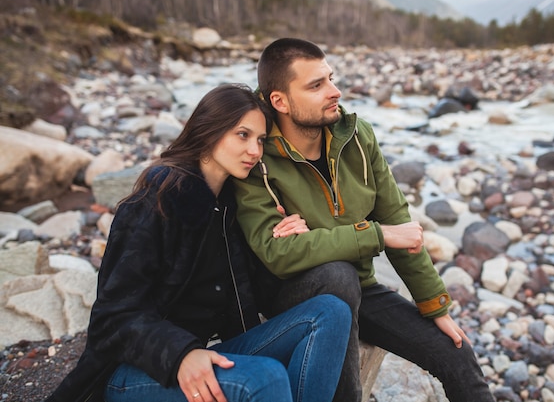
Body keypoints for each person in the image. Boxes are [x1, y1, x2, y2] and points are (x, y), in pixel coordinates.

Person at [44, 83, 351, 402]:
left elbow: (246, 291)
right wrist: (180, 354)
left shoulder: (229, 204)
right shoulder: (158, 199)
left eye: (260, 140)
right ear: (208, 131)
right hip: (132, 371)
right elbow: (113, 316)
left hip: (199, 353)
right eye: (242, 135)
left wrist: (280, 239)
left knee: (331, 312)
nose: (255, 151)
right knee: (264, 377)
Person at [233, 38, 496, 402]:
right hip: (289, 298)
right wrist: (375, 235)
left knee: (456, 353)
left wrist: (434, 304)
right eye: (316, 85)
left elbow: (397, 220)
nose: (335, 92)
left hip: (360, 288)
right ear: (279, 101)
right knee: (336, 275)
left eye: (331, 78)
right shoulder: (255, 156)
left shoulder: (356, 137)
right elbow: (278, 254)